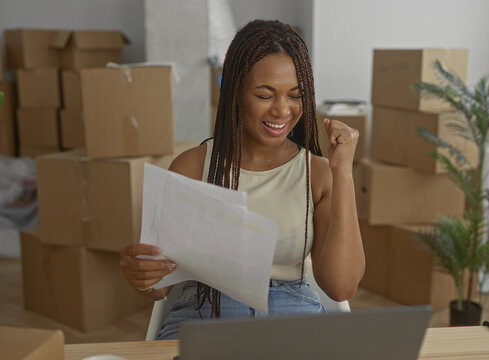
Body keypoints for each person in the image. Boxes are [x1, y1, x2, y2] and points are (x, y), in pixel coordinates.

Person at [119, 19, 365, 340]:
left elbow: (341, 286)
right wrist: (143, 278)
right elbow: (160, 289)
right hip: (205, 309)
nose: (282, 110)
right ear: (234, 91)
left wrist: (343, 173)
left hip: (291, 308)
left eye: (295, 95)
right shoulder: (192, 167)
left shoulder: (317, 174)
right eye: (265, 95)